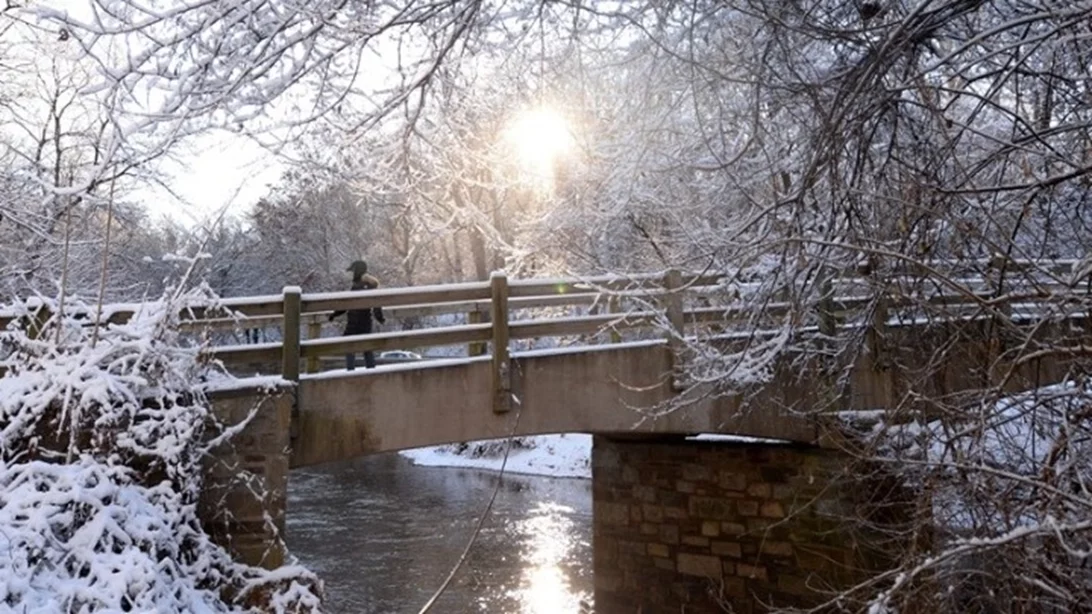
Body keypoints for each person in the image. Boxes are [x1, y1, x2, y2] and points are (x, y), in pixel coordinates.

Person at [328, 260, 385, 369]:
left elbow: (347, 304)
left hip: (354, 322)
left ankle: (351, 373)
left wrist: (334, 314)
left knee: (350, 348)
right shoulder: (370, 286)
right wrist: (380, 318)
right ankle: (371, 372)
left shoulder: (357, 286)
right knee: (367, 349)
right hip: (365, 322)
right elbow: (376, 303)